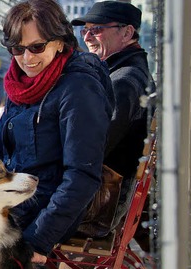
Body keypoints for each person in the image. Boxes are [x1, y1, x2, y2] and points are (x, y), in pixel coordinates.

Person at [0, 0, 113, 264]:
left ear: (60, 42)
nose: (27, 58)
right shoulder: (19, 83)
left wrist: (38, 240)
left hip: (49, 207)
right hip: (15, 198)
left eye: (37, 47)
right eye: (17, 49)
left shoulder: (79, 87)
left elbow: (82, 176)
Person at [72, 0, 155, 251]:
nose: (87, 37)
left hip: (97, 210)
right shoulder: (126, 73)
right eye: (84, 30)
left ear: (127, 33)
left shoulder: (124, 81)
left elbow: (94, 148)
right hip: (105, 202)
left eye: (96, 29)